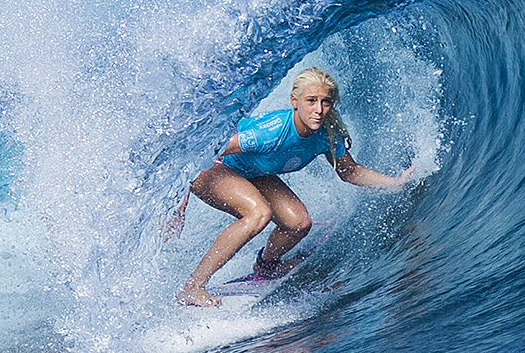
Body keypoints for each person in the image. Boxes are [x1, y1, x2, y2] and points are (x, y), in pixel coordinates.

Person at [170, 66, 411, 308]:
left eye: (325, 102)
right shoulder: (271, 132)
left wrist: (396, 183)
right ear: (295, 102)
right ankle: (193, 287)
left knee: (298, 223)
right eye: (311, 101)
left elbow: (349, 171)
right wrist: (177, 206)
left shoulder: (327, 134)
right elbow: (198, 154)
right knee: (258, 213)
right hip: (211, 167)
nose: (318, 110)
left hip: (251, 171)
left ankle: (266, 265)